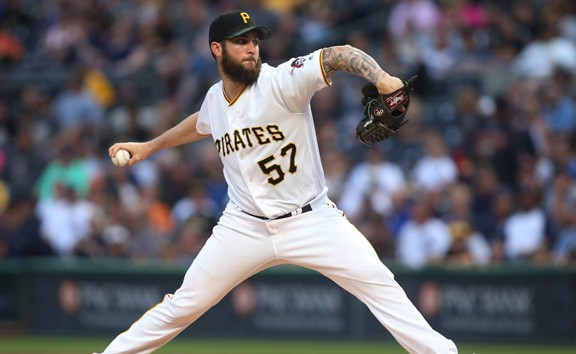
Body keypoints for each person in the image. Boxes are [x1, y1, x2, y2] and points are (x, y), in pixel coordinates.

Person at [96, 11, 457, 354]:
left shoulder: (282, 81)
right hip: (244, 226)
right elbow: (201, 122)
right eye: (241, 41)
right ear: (216, 49)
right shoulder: (214, 100)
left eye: (255, 40)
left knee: (380, 285)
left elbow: (338, 55)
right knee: (182, 305)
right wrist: (149, 146)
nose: (252, 47)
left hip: (312, 220)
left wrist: (381, 78)